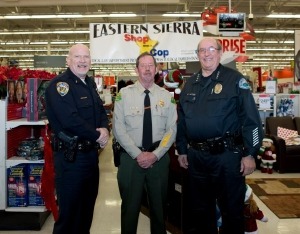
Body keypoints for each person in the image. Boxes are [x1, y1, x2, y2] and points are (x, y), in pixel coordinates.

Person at [176, 37, 263, 234]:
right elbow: (182, 121)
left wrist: (250, 153)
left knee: (232, 211)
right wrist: (182, 150)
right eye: (202, 50)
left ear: (220, 52)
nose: (207, 54)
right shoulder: (189, 85)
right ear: (197, 55)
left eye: (211, 49)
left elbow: (251, 120)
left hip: (227, 157)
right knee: (200, 211)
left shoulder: (235, 80)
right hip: (197, 158)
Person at [45, 43, 110, 234]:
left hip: (90, 157)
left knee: (86, 211)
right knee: (70, 215)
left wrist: (105, 129)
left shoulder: (89, 83)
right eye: (77, 57)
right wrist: (98, 135)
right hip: (70, 159)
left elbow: (100, 110)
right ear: (68, 60)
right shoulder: (60, 85)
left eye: (86, 57)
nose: (82, 61)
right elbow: (70, 120)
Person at [112, 52, 177, 234]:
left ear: (156, 69)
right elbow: (118, 128)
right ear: (137, 69)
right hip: (130, 160)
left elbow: (171, 130)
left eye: (151, 65)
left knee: (159, 208)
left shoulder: (167, 96)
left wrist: (155, 154)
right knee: (130, 209)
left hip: (159, 159)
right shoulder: (123, 95)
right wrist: (137, 154)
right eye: (143, 65)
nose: (147, 69)